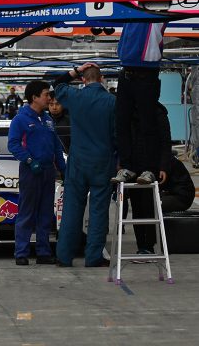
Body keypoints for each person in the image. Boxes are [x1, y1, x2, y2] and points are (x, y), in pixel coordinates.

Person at [53, 63, 116, 267]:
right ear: (102, 79)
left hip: (78, 162)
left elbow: (57, 84)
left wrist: (76, 70)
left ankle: (64, 256)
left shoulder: (75, 97)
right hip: (102, 162)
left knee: (71, 210)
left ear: (83, 80)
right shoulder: (112, 101)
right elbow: (117, 134)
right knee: (99, 211)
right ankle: (94, 256)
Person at [8, 80, 66, 266]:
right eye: (46, 94)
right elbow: (13, 144)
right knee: (27, 212)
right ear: (34, 97)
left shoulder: (48, 120)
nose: (49, 98)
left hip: (48, 171)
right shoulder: (20, 119)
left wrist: (63, 169)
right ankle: (21, 253)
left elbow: (56, 147)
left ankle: (43, 252)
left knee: (45, 213)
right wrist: (29, 160)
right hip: (30, 171)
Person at [112, 22, 167, 185]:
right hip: (126, 71)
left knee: (148, 124)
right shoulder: (130, 10)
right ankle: (127, 166)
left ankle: (150, 169)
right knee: (121, 122)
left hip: (147, 71)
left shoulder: (156, 10)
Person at [126, 102, 172, 255]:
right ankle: (141, 245)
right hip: (133, 167)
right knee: (137, 207)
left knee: (148, 206)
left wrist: (164, 166)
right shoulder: (129, 112)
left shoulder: (158, 112)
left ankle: (148, 245)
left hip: (152, 167)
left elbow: (165, 141)